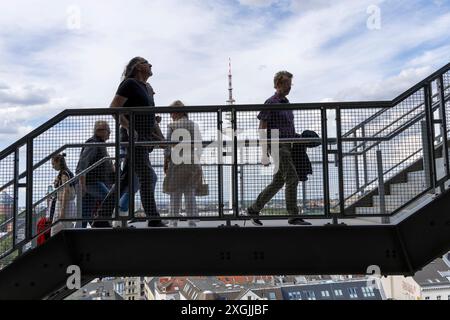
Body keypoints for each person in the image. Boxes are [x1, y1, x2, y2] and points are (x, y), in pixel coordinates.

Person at [94, 56, 165, 227]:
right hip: (132, 141)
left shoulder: (147, 88)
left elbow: (151, 119)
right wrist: (128, 127)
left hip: (144, 141)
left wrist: (161, 138)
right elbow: (114, 108)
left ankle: (101, 218)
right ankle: (154, 219)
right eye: (147, 62)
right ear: (138, 67)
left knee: (125, 180)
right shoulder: (129, 84)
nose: (151, 64)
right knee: (148, 177)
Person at [247, 71, 311, 226]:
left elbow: (286, 127)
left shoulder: (286, 103)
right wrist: (264, 152)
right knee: (292, 178)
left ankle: (254, 209)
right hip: (277, 146)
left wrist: (299, 138)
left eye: (290, 84)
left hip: (288, 145)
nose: (289, 87)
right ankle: (293, 215)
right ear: (278, 84)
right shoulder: (271, 102)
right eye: (287, 84)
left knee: (278, 181)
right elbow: (262, 127)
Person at [163, 100, 203, 227]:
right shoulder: (194, 125)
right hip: (192, 159)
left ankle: (173, 220)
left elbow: (168, 146)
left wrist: (166, 161)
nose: (170, 115)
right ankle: (192, 220)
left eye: (171, 112)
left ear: (176, 112)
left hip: (177, 159)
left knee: (175, 191)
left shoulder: (172, 126)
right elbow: (199, 145)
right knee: (189, 190)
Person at [76, 120, 114, 228]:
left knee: (85, 212)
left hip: (94, 182)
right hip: (91, 182)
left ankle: (81, 231)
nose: (110, 133)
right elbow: (82, 165)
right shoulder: (93, 143)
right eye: (108, 130)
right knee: (109, 198)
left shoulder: (100, 143)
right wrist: (82, 184)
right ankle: (100, 222)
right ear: (100, 131)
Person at [51, 153, 77, 236]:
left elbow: (66, 191)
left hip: (64, 204)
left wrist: (62, 209)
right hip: (69, 204)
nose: (53, 166)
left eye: (53, 164)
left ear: (58, 162)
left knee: (55, 231)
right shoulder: (67, 172)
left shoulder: (64, 174)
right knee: (67, 228)